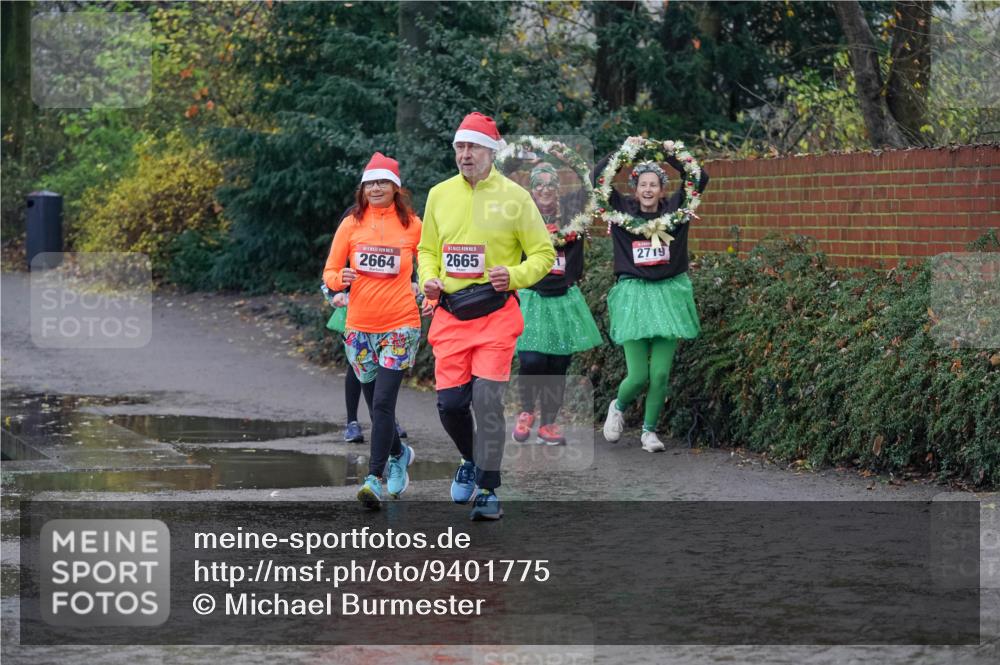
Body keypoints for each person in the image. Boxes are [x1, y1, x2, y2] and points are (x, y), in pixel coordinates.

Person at [418, 112, 555, 520]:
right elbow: (426, 250)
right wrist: (428, 278)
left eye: (472, 147)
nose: (464, 154)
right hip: (451, 315)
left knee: (487, 402)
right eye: (459, 147)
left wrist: (512, 274)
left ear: (491, 152)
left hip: (496, 315)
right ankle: (469, 459)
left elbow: (544, 255)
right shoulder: (439, 194)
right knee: (450, 405)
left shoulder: (515, 197)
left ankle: (489, 490)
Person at [323, 152, 422, 509]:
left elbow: (427, 268)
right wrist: (340, 280)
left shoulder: (413, 224)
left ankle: (373, 478)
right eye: (370, 183)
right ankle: (399, 453)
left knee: (383, 402)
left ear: (396, 187)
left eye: (383, 182)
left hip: (400, 324)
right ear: (362, 188)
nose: (376, 188)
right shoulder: (351, 224)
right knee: (374, 403)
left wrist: (426, 291)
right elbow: (330, 272)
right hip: (359, 328)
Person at [597, 143, 709, 452]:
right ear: (635, 189)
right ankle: (618, 406)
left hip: (668, 295)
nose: (648, 189)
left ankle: (649, 432)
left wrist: (669, 151)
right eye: (643, 184)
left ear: (663, 189)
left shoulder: (678, 212)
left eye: (654, 184)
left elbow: (699, 178)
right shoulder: (620, 214)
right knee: (638, 375)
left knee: (659, 374)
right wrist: (625, 152)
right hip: (633, 296)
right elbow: (598, 179)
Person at [511, 162, 602, 445]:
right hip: (532, 297)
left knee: (558, 363)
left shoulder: (574, 216)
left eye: (550, 184)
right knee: (532, 358)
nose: (545, 189)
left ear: (557, 189)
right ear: (532, 189)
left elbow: (594, 183)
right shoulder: (522, 217)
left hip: (563, 299)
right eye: (539, 184)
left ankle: (548, 423)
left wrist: (625, 151)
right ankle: (527, 410)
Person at [322, 285, 409, 443]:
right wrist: (337, 292)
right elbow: (333, 273)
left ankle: (387, 420)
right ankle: (352, 423)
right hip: (355, 306)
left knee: (386, 363)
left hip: (386, 306)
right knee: (357, 363)